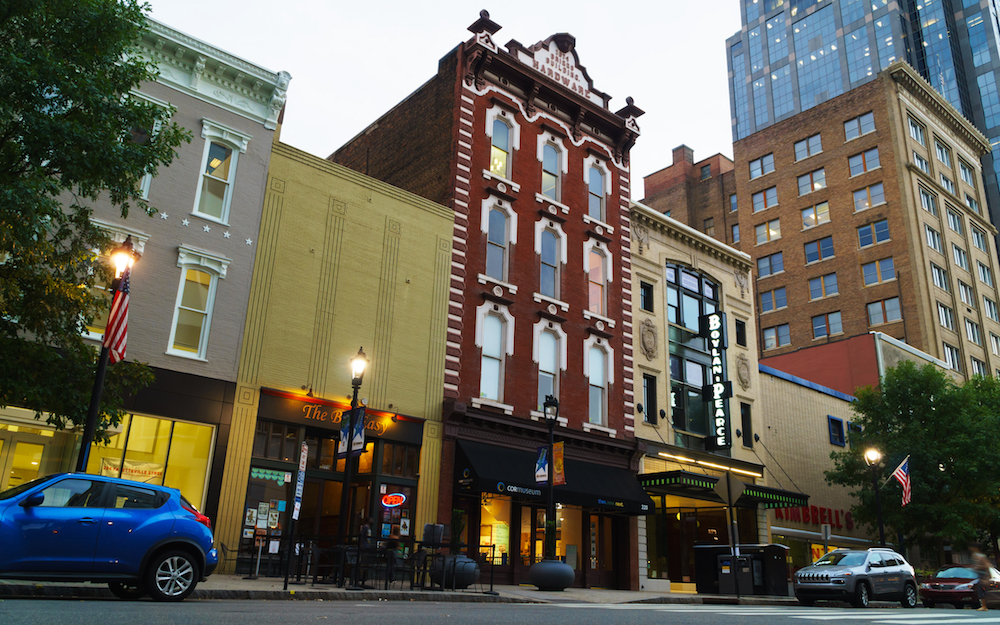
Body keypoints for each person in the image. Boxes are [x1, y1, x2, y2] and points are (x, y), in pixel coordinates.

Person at [971, 543, 992, 611]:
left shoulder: (980, 556)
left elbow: (987, 565)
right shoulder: (977, 555)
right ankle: (984, 605)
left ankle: (984, 606)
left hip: (983, 575)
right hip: (981, 575)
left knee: (981, 590)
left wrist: (978, 567)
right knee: (981, 590)